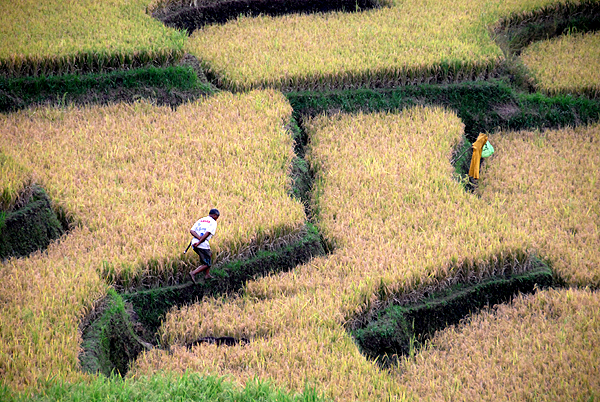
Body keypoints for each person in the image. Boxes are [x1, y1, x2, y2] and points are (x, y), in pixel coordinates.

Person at [188, 208, 219, 283]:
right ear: (215, 215)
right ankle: (193, 273)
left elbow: (192, 230)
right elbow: (207, 233)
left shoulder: (201, 220)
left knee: (209, 255)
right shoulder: (213, 222)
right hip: (202, 244)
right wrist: (199, 242)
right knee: (207, 263)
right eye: (217, 217)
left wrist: (198, 239)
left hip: (194, 242)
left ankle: (207, 275)